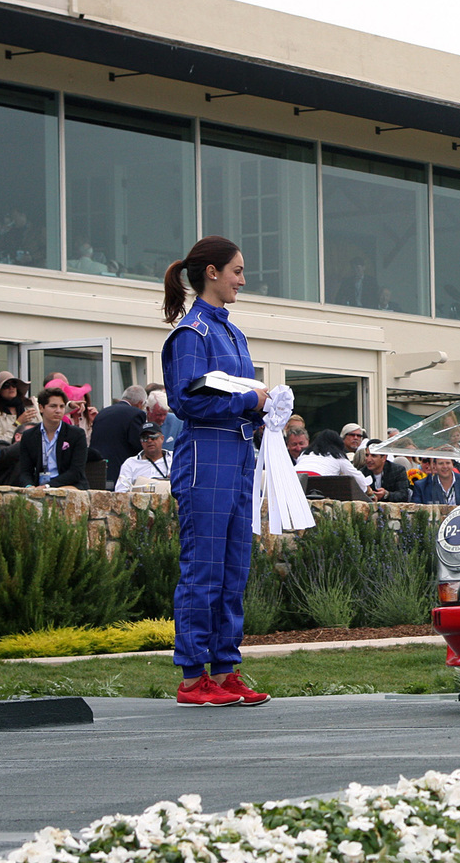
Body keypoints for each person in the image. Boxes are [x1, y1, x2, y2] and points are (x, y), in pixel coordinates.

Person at [161, 236, 271, 707]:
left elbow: (234, 395)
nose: (242, 280)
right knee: (203, 568)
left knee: (233, 569)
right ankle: (191, 676)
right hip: (205, 456)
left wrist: (268, 409)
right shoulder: (192, 334)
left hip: (238, 455)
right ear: (212, 272)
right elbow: (184, 400)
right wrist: (251, 400)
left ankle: (225, 670)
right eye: (237, 271)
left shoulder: (232, 332)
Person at [13, 386, 88, 489]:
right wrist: (29, 486)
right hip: (38, 487)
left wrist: (48, 486)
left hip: (69, 485)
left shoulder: (76, 434)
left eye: (61, 407)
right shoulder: (29, 435)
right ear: (41, 408)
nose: (58, 411)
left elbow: (76, 472)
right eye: (53, 406)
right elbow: (24, 471)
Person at [90, 384, 148, 489]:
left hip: (98, 469)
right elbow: (137, 444)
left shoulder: (102, 412)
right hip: (122, 469)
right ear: (140, 403)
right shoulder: (136, 414)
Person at [115, 423, 174, 492]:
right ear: (141, 442)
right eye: (144, 438)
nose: (149, 441)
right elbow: (121, 491)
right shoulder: (130, 463)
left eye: (153, 437)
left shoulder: (175, 458)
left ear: (162, 438)